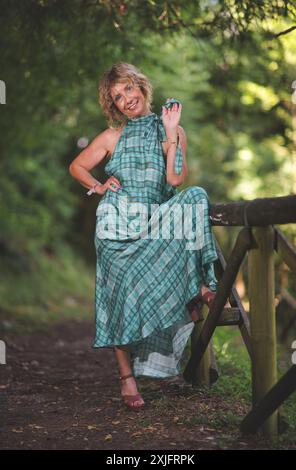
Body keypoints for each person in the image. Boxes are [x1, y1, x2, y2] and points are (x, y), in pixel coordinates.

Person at [69, 62, 227, 410]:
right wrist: (97, 186)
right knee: (119, 297)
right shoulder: (112, 136)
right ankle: (127, 378)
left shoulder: (172, 129)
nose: (126, 99)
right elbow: (77, 166)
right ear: (113, 105)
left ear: (141, 86)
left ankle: (204, 285)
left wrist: (170, 131)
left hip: (157, 222)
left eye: (128, 88)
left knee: (197, 196)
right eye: (117, 96)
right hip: (117, 227)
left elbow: (175, 181)